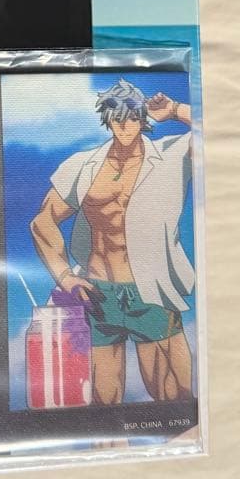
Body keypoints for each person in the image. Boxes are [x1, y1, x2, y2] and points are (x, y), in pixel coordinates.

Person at [29, 78, 194, 405]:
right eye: (117, 118)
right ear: (107, 120)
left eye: (132, 117)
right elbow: (43, 221)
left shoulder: (172, 155)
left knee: (173, 398)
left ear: (143, 118)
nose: (124, 125)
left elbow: (227, 134)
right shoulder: (83, 165)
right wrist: (65, 277)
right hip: (98, 292)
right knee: (104, 401)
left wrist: (175, 110)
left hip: (150, 292)